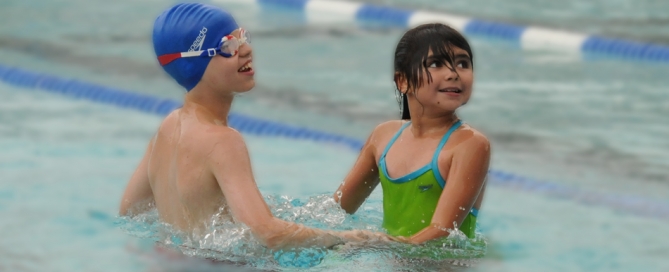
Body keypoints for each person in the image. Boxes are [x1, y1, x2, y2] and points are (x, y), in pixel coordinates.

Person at [119, 3, 389, 250]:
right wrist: (354, 238)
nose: (245, 49)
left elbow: (130, 211)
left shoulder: (168, 127)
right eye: (228, 46)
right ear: (193, 64)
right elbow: (269, 234)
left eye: (243, 37)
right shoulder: (222, 141)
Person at [333, 23, 490, 244]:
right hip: (391, 259)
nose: (454, 74)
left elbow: (441, 233)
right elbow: (336, 211)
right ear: (403, 81)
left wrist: (372, 243)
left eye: (463, 63)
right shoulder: (384, 136)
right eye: (436, 64)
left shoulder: (470, 144)